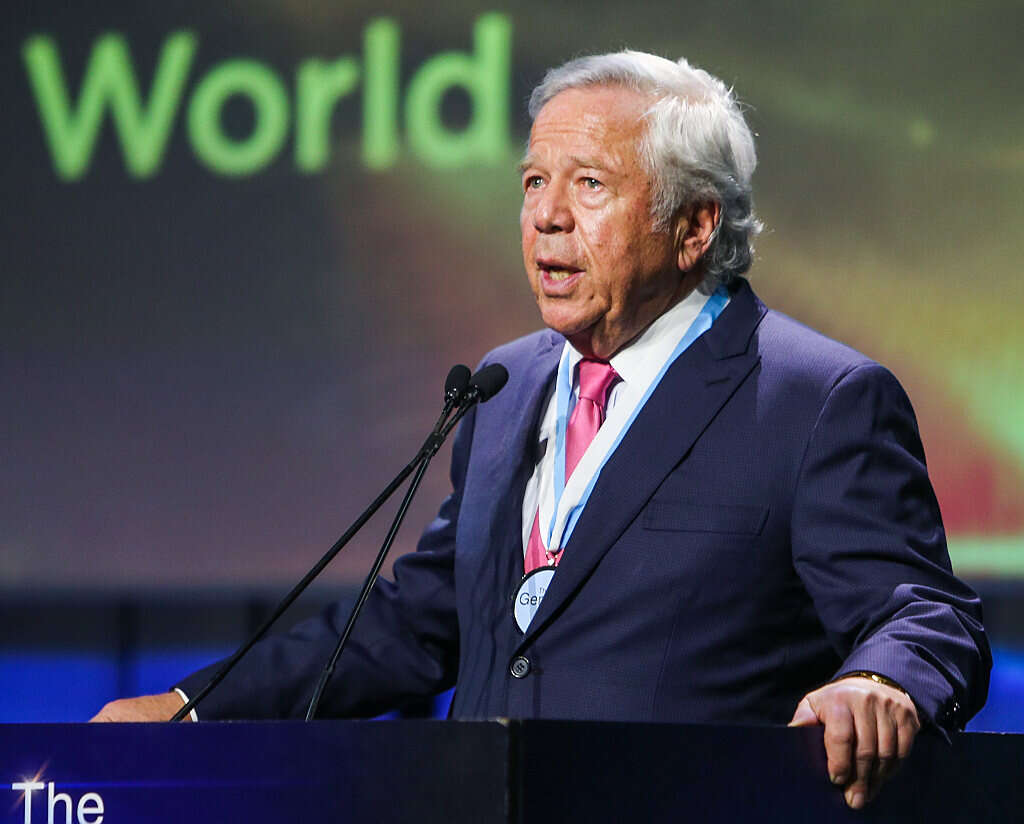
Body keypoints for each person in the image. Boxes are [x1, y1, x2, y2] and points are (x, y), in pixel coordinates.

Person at [92, 51, 990, 810]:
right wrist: (195, 709)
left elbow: (927, 614)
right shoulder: (506, 385)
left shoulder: (815, 399)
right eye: (533, 183)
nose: (546, 216)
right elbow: (419, 621)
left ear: (693, 226)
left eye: (589, 184)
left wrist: (879, 682)